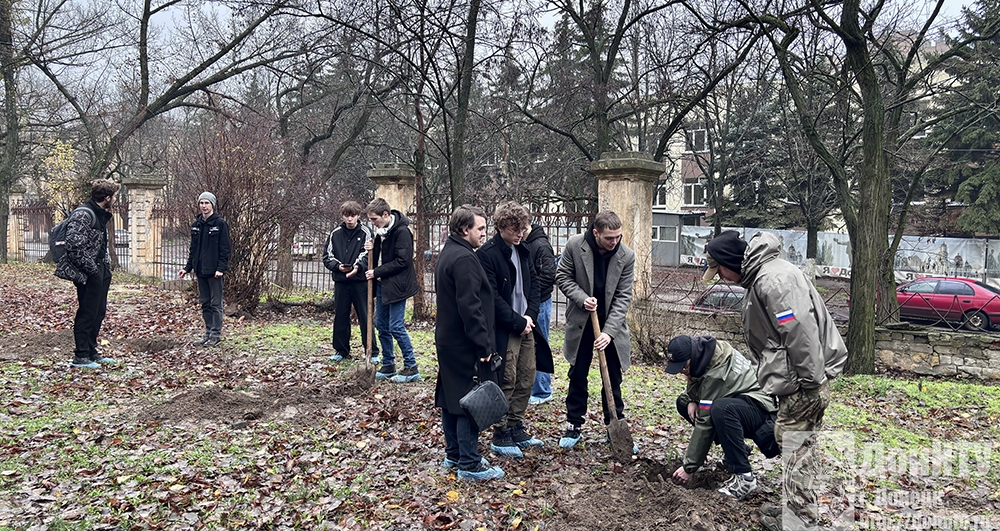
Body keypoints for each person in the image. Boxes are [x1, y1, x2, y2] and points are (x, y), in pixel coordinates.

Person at [703, 230, 848, 531]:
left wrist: (810, 383)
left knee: (796, 448)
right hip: (800, 379)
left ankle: (800, 522)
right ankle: (796, 511)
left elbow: (799, 332)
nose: (722, 278)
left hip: (803, 383)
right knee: (797, 446)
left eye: (720, 271)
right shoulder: (765, 276)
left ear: (729, 263)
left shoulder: (772, 281)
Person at [434, 205, 505, 482]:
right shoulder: (464, 258)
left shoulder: (450, 251)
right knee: (468, 400)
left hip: (449, 339)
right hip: (465, 342)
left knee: (451, 397)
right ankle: (469, 463)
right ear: (465, 229)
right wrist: (483, 345)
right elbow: (470, 307)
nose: (484, 234)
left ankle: (454, 453)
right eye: (480, 229)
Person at [555, 210, 634, 450]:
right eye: (609, 237)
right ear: (596, 232)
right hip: (582, 320)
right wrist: (582, 298)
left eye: (618, 237)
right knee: (578, 373)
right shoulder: (575, 245)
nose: (615, 242)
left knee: (613, 376)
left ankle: (614, 423)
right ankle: (574, 424)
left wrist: (608, 333)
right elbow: (563, 276)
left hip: (611, 325)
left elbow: (623, 297)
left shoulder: (626, 255)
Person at [665, 335, 779, 500]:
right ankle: (737, 450)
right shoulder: (706, 355)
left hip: (759, 407)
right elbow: (700, 389)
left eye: (684, 367)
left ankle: (744, 477)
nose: (683, 372)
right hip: (738, 401)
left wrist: (689, 467)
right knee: (683, 403)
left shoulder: (716, 374)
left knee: (720, 409)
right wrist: (690, 400)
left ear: (693, 357)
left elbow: (705, 423)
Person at [477, 201, 550, 458]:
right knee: (506, 378)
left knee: (527, 376)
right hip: (505, 329)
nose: (520, 234)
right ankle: (501, 432)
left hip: (526, 325)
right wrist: (517, 322)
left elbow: (535, 285)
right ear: (500, 227)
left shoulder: (523, 249)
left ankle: (516, 425)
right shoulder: (487, 254)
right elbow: (492, 297)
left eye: (522, 229)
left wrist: (530, 316)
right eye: (514, 230)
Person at [57, 179, 121, 368]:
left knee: (98, 312)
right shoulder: (83, 214)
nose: (115, 200)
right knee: (87, 312)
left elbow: (99, 244)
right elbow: (73, 246)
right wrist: (92, 270)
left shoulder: (100, 213)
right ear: (107, 198)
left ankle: (92, 351)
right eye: (114, 197)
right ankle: (81, 356)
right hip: (88, 272)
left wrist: (105, 268)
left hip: (100, 269)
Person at [364, 198, 421, 383]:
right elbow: (380, 255)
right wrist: (372, 248)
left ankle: (411, 367)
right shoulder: (382, 232)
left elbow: (402, 261)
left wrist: (376, 272)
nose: (373, 223)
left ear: (385, 214)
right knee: (381, 325)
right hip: (383, 284)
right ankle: (389, 364)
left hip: (398, 286)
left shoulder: (402, 232)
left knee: (396, 326)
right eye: (371, 220)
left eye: (374, 219)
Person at [322, 200, 378, 363]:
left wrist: (357, 267)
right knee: (340, 315)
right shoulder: (335, 234)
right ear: (342, 216)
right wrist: (338, 266)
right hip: (341, 282)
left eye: (353, 215)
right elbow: (327, 256)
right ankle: (341, 350)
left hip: (360, 282)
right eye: (347, 215)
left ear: (358, 215)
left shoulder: (366, 232)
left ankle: (372, 351)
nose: (350, 219)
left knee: (365, 315)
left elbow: (369, 254)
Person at [179, 191, 232, 346]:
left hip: (215, 272)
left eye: (207, 203)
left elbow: (225, 249)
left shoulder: (220, 224)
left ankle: (216, 334)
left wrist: (221, 268)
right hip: (200, 270)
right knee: (205, 304)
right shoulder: (196, 225)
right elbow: (193, 249)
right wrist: (187, 268)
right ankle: (208, 333)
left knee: (216, 304)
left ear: (212, 205)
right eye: (201, 203)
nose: (204, 206)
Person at [525, 222, 557, 405]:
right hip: (533, 302)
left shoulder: (540, 245)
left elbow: (548, 276)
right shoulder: (529, 243)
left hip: (540, 302)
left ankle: (542, 390)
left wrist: (532, 296)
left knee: (540, 344)